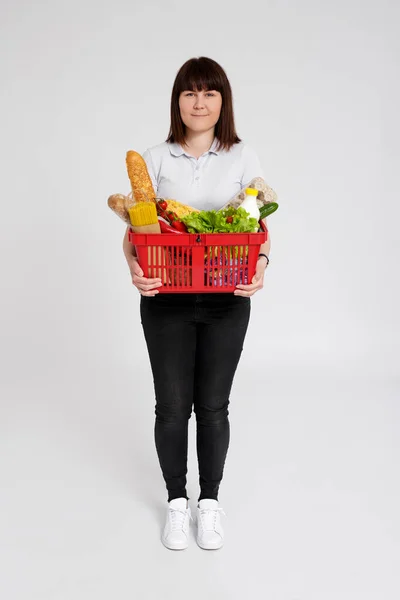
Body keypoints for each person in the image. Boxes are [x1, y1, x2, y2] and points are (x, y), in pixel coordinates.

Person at [122, 57, 271, 551]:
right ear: (177, 101)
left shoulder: (242, 156)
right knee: (171, 407)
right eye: (190, 93)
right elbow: (135, 229)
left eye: (209, 93)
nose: (199, 102)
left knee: (212, 407)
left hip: (227, 297)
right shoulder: (155, 156)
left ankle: (209, 503)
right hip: (166, 296)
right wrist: (135, 268)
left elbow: (260, 226)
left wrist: (262, 265)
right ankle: (176, 504)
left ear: (223, 102)